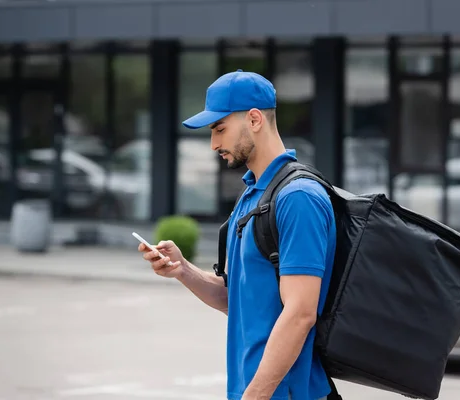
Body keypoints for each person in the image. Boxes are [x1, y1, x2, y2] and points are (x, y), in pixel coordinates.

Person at [138, 69, 337, 400]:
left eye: (220, 129)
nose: (214, 143)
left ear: (255, 119)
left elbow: (301, 313)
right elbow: (243, 300)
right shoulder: (252, 197)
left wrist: (254, 396)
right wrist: (183, 270)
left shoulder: (298, 198)